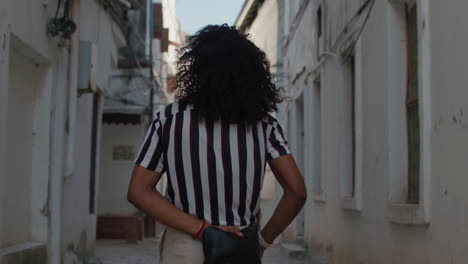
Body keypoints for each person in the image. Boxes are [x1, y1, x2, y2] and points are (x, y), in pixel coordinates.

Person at [127, 24, 307, 263]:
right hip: (239, 246)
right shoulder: (265, 126)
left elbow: (138, 191)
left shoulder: (169, 119)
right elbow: (296, 192)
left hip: (185, 245)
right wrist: (262, 242)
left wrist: (203, 230)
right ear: (251, 73)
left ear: (198, 70)